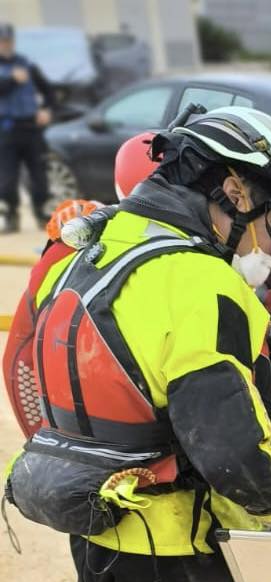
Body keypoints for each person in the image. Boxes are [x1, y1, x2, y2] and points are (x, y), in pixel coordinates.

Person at [4, 105, 271, 582]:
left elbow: (28, 370)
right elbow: (236, 462)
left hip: (96, 542)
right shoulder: (198, 281)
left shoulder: (95, 251)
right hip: (171, 555)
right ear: (234, 191)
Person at [4, 131, 159, 438]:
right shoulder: (221, 249)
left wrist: (41, 438)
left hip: (95, 439)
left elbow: (21, 352)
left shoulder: (74, 241)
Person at [0, 22, 56, 232]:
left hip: (31, 129)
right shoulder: (10, 71)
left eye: (8, 41)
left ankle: (42, 213)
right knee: (7, 179)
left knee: (40, 176)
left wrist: (46, 109)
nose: (6, 45)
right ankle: (11, 216)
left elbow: (49, 91)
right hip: (6, 131)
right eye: (2, 41)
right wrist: (11, 80)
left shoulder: (27, 65)